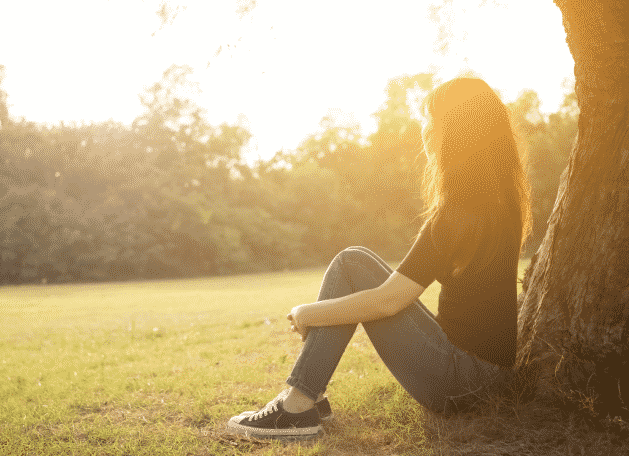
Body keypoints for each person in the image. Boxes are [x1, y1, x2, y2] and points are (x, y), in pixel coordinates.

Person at [226, 77, 533, 441]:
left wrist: (307, 313)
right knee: (354, 263)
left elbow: (389, 300)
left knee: (350, 264)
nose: (426, 131)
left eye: (431, 121)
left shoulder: (457, 212)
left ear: (453, 133)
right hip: (488, 377)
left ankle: (298, 404)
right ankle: (307, 398)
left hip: (460, 380)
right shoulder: (504, 202)